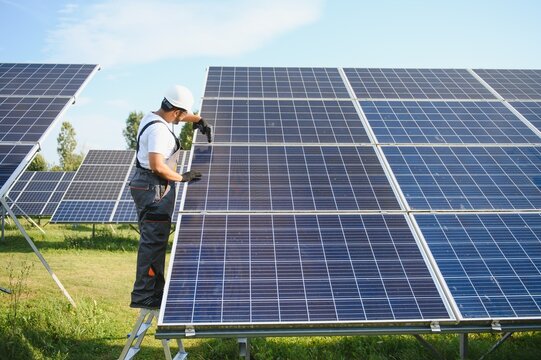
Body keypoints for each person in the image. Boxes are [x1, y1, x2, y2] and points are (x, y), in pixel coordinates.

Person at [129, 85, 212, 309]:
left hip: (144, 185)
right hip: (153, 187)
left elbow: (175, 117)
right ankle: (145, 294)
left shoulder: (153, 117)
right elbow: (157, 165)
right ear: (175, 111)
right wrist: (182, 177)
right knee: (154, 241)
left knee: (154, 238)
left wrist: (198, 119)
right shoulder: (159, 133)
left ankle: (155, 289)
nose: (183, 118)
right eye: (183, 114)